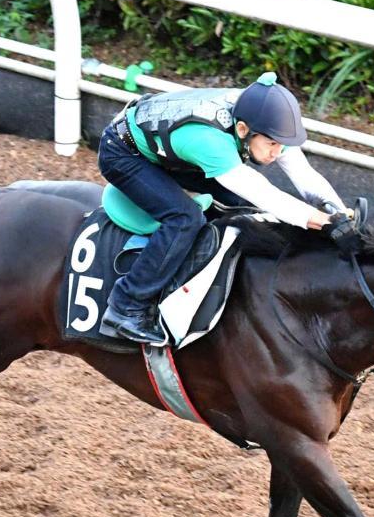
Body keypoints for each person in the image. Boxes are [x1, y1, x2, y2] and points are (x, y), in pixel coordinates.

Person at [97, 71, 354, 344]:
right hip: (124, 154)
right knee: (185, 218)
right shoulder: (210, 143)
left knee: (241, 204)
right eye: (271, 144)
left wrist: (337, 209)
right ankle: (126, 305)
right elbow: (266, 196)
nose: (276, 153)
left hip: (167, 149)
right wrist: (321, 221)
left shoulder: (259, 121)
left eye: (281, 145)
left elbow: (303, 174)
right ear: (243, 130)